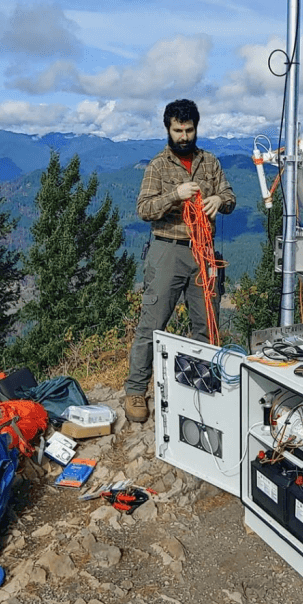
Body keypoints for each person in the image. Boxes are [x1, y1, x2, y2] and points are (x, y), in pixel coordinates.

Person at [124, 99, 236, 423]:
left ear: (196, 128)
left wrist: (218, 199)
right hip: (168, 249)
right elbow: (143, 209)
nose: (184, 136)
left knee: (207, 324)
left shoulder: (210, 162)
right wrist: (175, 195)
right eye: (178, 130)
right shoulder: (158, 166)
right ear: (168, 129)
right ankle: (135, 390)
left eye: (189, 130)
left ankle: (203, 388)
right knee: (152, 323)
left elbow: (229, 197)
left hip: (204, 249)